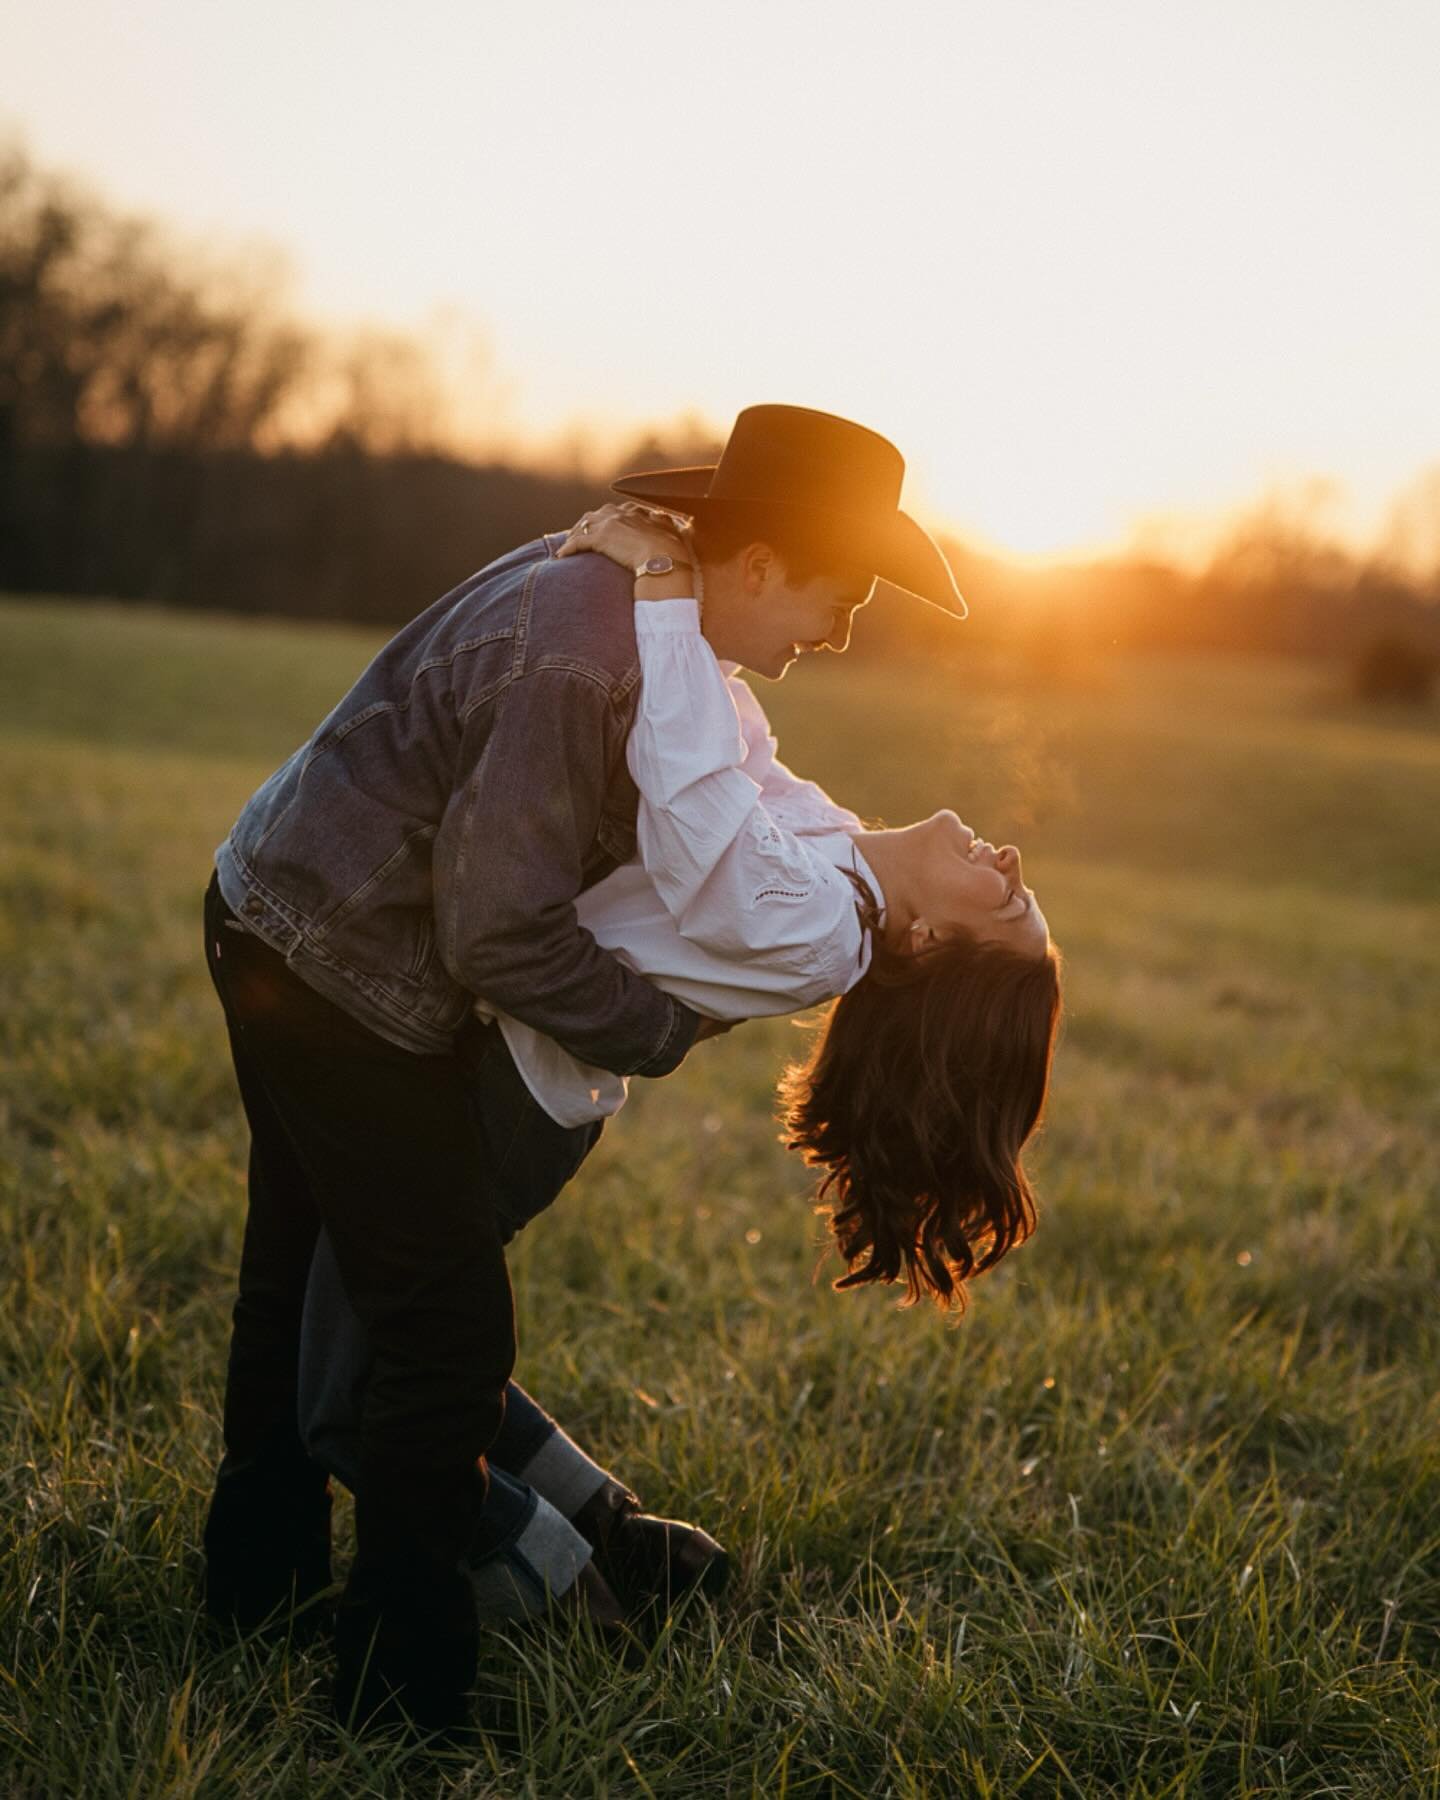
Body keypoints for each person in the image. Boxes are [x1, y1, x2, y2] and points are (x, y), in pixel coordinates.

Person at [201, 404, 974, 1737]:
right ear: (758, 560)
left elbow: (756, 802)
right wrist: (654, 1028)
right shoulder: (588, 649)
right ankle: (399, 1704)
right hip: (336, 969)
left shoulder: (659, 635)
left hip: (276, 908)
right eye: (838, 589)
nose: (842, 627)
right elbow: (496, 931)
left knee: (294, 1273)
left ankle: (250, 1600)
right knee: (441, 1341)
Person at [294, 502, 1061, 1638]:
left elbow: (700, 790)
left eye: (1004, 897)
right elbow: (737, 744)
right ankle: (624, 1533)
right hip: (504, 1081)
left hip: (504, 1103)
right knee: (408, 1351)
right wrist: (690, 600)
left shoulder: (819, 925)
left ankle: (569, 1593)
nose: (1003, 858)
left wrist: (660, 582)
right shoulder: (838, 860)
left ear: (929, 945)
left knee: (352, 1398)